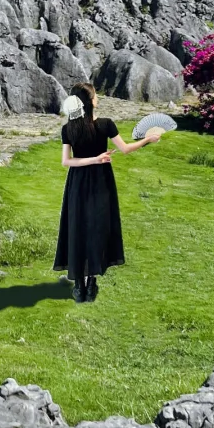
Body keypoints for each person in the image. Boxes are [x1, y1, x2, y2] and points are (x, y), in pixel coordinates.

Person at [54, 82, 164, 303]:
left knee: (78, 226)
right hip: (100, 181)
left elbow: (68, 161)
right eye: (95, 96)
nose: (97, 99)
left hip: (77, 183)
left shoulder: (69, 128)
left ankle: (79, 284)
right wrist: (147, 140)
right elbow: (125, 149)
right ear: (89, 102)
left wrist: (91, 159)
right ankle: (91, 280)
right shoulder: (105, 125)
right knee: (96, 227)